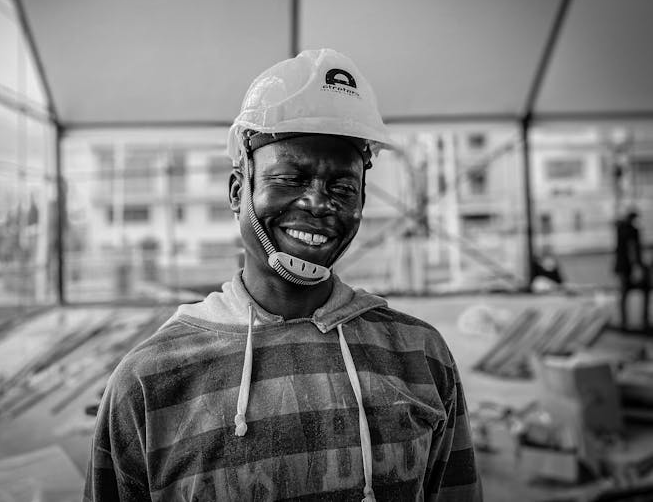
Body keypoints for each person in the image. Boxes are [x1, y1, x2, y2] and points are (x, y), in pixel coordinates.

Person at [84, 49, 481, 501]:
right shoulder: (149, 380)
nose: (318, 203)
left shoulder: (422, 356)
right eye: (290, 179)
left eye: (343, 187)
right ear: (239, 192)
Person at [614, 208, 650, 331]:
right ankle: (643, 321)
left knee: (624, 294)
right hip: (630, 268)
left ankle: (624, 322)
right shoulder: (632, 231)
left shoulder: (620, 229)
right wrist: (637, 267)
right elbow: (632, 249)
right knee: (644, 290)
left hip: (621, 267)